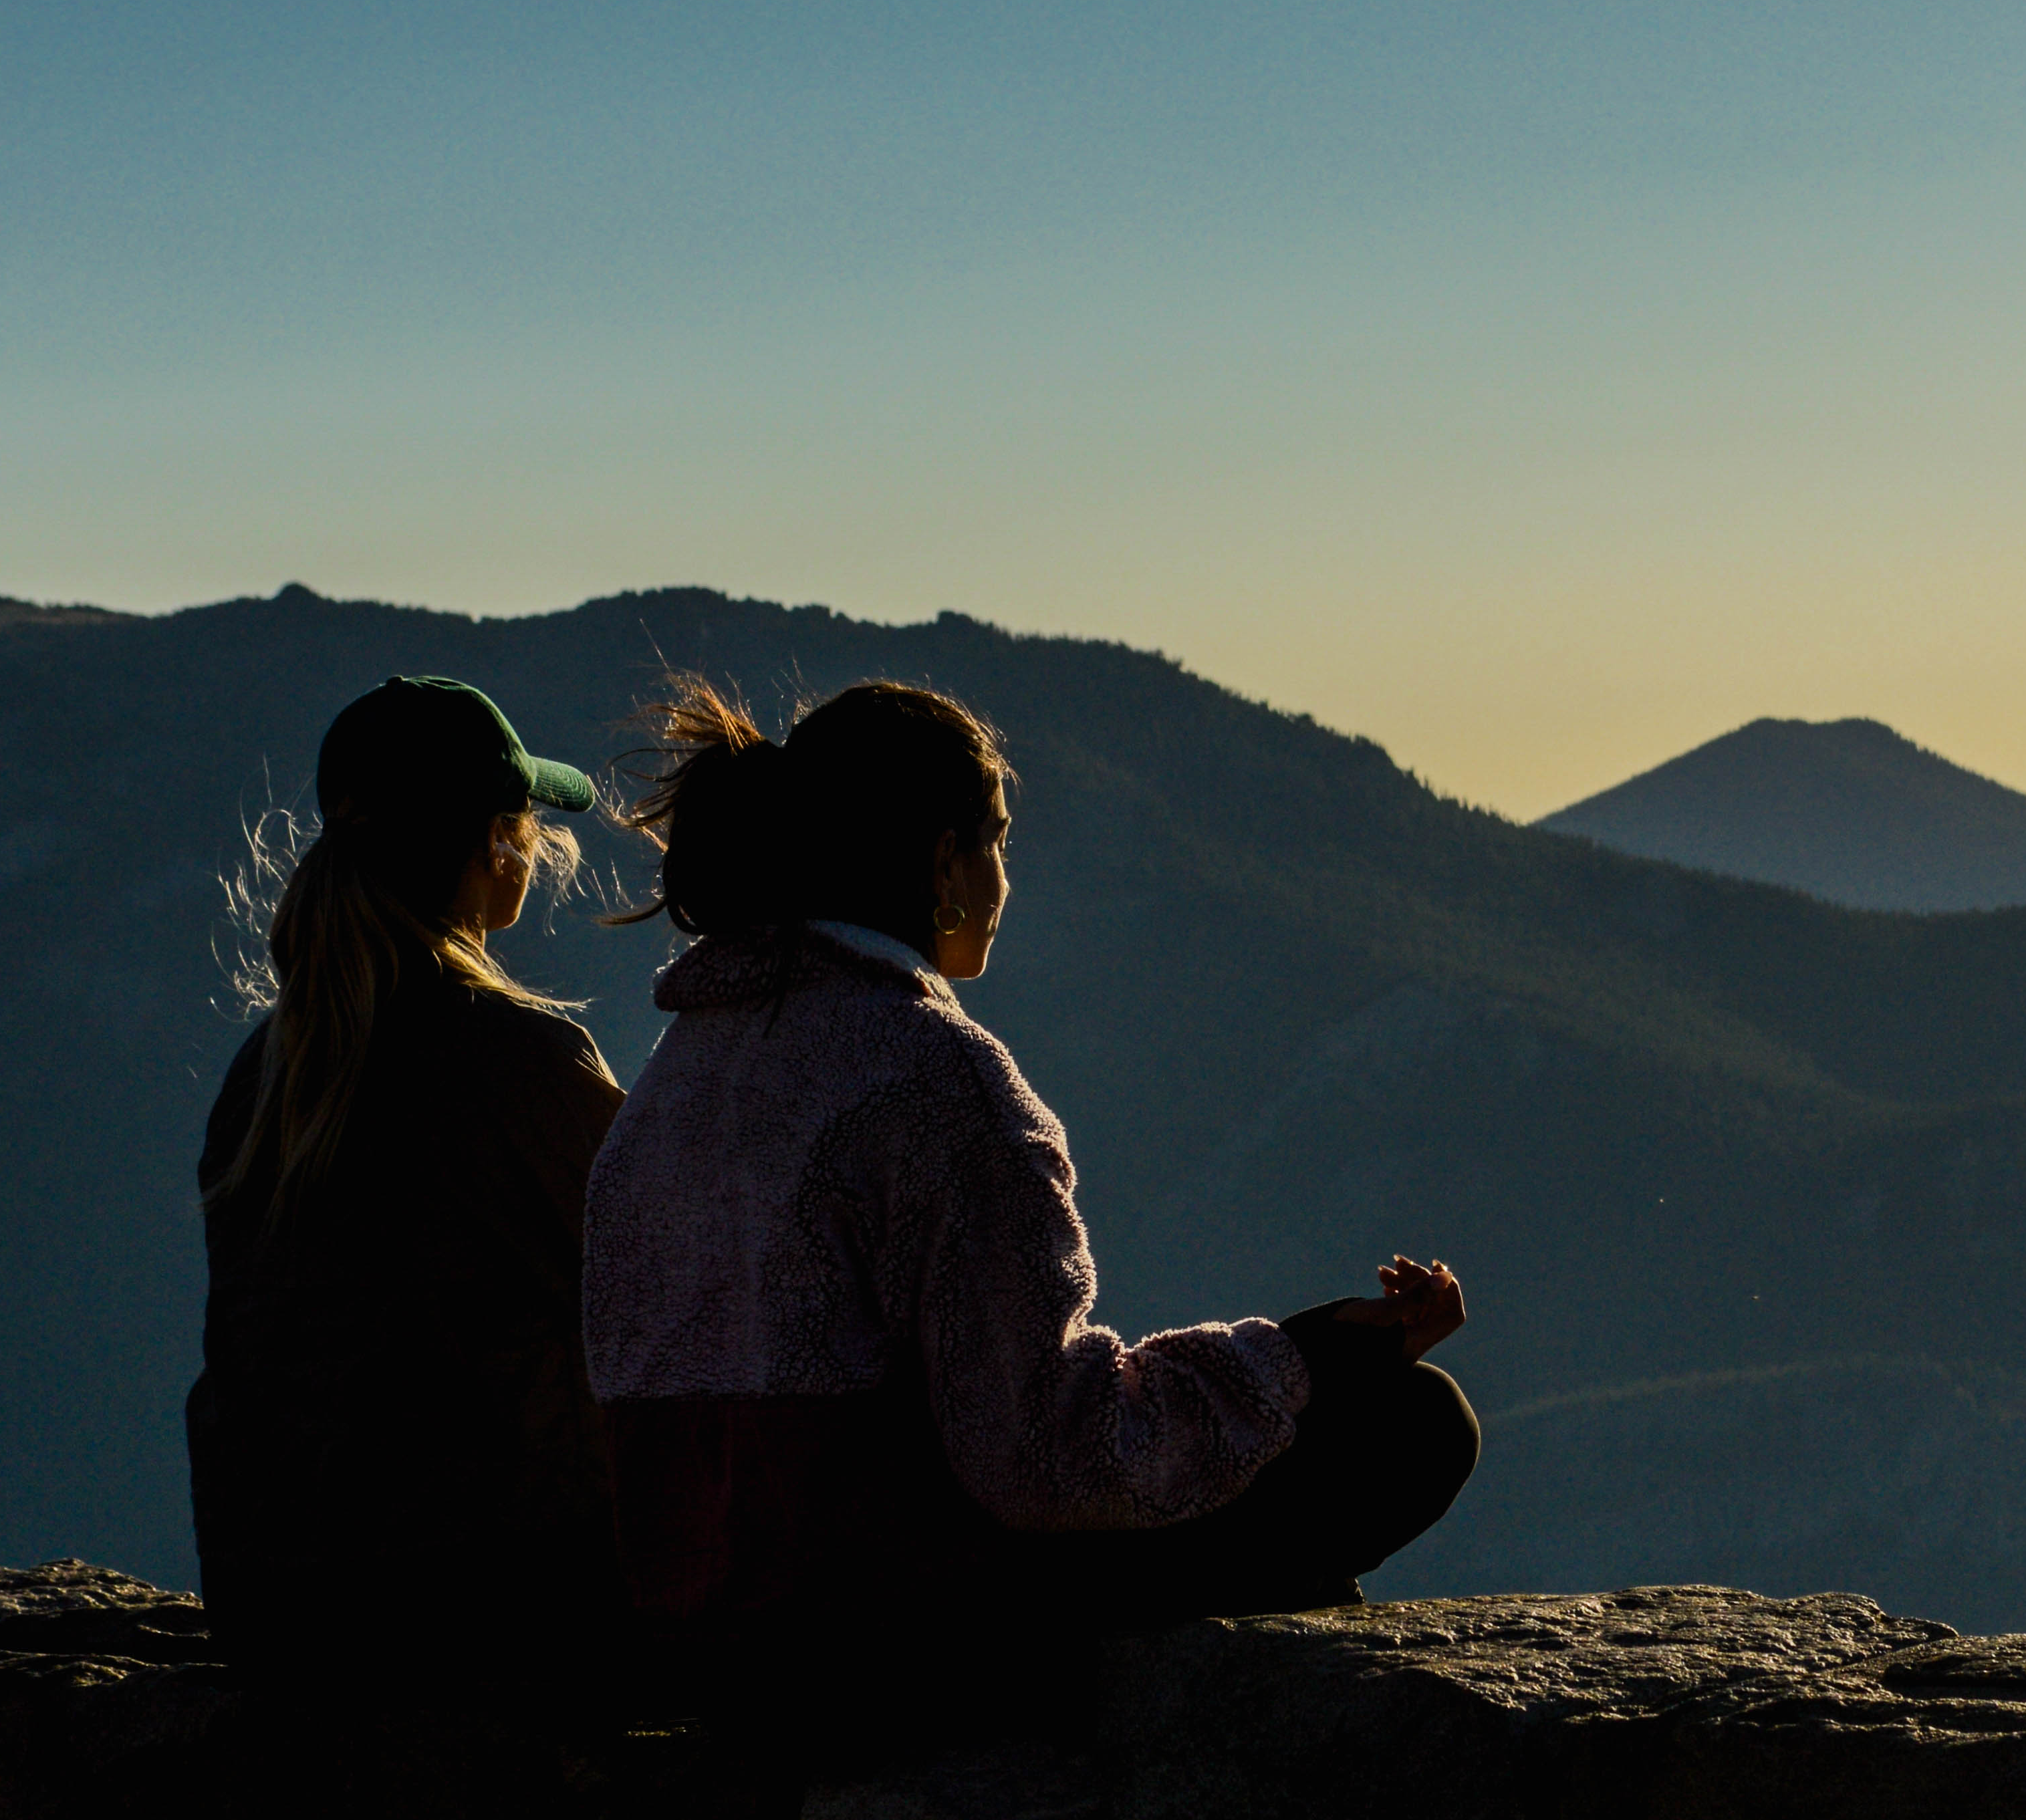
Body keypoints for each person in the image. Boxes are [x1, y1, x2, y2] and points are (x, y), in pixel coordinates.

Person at [583, 674, 1478, 1716]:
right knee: (1412, 1423)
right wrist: (1310, 1362)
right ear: (942, 862)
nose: (1005, 882)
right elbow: (1047, 1457)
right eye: (996, 842)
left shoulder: (677, 1078)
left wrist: (1310, 1346)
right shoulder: (932, 1077)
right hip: (886, 1639)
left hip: (705, 1629)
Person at [189, 676, 627, 1695]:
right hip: (497, 1608)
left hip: (278, 1604)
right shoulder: (522, 1058)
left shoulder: (269, 1072)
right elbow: (672, 1276)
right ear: (495, 846)